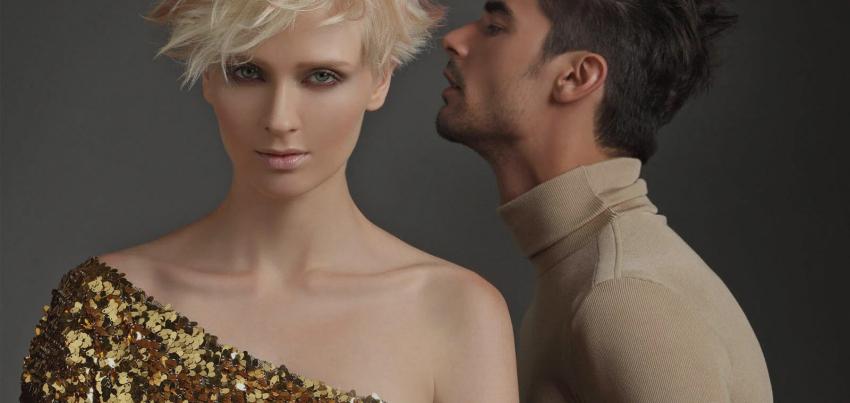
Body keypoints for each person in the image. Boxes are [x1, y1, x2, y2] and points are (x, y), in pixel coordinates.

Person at [20, 1, 519, 402]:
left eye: (321, 76)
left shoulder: (455, 311)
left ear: (380, 79)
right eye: (247, 72)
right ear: (208, 77)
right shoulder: (102, 310)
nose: (280, 119)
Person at [436, 0, 772, 402]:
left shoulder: (625, 297)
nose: (454, 39)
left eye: (494, 27)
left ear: (576, 76)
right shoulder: (586, 274)